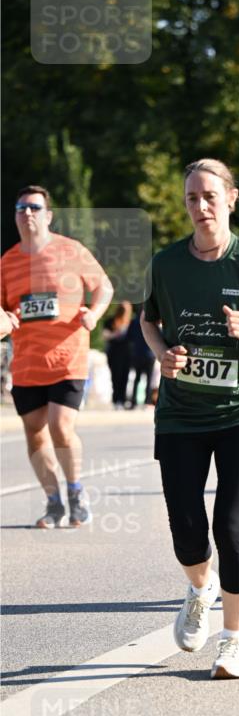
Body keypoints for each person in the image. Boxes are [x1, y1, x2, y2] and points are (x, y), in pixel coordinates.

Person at [140, 158, 239, 680]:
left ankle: (235, 641)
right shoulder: (167, 263)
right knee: (186, 526)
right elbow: (148, 318)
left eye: (210, 196)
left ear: (231, 198)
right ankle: (199, 589)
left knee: (230, 524)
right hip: (180, 413)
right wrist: (162, 354)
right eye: (191, 198)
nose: (200, 207)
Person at [0, 184, 113, 527]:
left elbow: (104, 286)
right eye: (21, 208)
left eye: (34, 207)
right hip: (27, 362)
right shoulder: (7, 263)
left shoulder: (71, 251)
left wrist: (94, 314)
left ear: (48, 216)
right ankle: (54, 503)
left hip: (68, 356)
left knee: (60, 426)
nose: (27, 213)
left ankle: (76, 492)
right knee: (35, 431)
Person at [102, 301, 133, 408]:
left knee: (125, 376)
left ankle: (122, 399)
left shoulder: (131, 323)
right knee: (115, 376)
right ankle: (116, 400)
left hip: (127, 354)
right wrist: (117, 333)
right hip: (114, 353)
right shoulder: (111, 321)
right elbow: (105, 335)